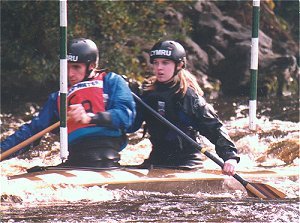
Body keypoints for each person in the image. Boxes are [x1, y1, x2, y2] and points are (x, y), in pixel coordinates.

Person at [0, 38, 135, 168]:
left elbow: (126, 116)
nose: (70, 74)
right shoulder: (58, 97)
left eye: (76, 67)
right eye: (66, 67)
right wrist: (2, 150)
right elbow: (32, 131)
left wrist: (89, 118)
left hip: (109, 159)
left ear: (92, 66)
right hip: (76, 161)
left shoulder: (111, 81)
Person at [129, 40, 239, 175]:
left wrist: (230, 157)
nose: (159, 68)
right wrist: (129, 99)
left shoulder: (189, 97)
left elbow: (214, 128)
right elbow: (131, 126)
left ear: (179, 65)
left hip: (186, 164)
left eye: (165, 63)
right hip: (156, 161)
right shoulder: (147, 93)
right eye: (156, 62)